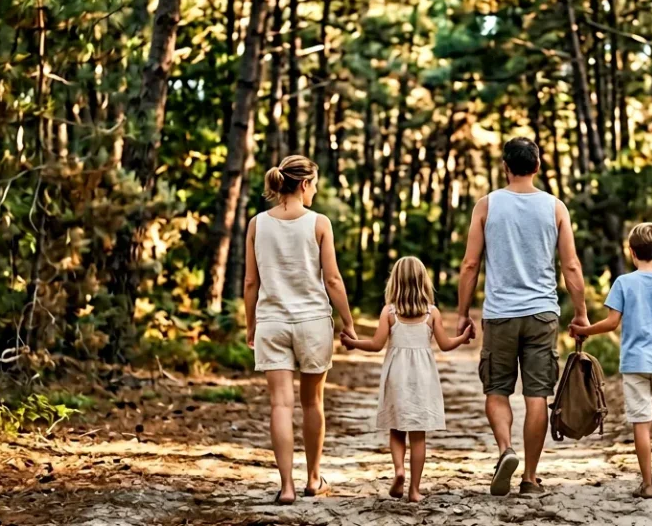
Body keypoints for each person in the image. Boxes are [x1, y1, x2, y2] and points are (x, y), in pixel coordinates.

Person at [456, 136, 590, 497]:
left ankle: (505, 450)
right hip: (542, 314)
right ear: (538, 166)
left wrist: (463, 313)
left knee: (497, 390)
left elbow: (470, 264)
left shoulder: (487, 206)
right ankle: (530, 478)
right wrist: (581, 314)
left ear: (505, 167)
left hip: (499, 314)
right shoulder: (555, 207)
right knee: (537, 397)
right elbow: (571, 265)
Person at [244, 155, 357, 505]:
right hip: (312, 325)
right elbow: (333, 279)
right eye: (316, 184)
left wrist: (251, 326)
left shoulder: (257, 224)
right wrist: (348, 322)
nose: (316, 190)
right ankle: (312, 479)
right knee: (312, 402)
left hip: (272, 323)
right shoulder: (319, 223)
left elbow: (251, 281)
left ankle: (286, 487)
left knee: (280, 404)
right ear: (305, 184)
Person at [571, 222, 652, 499]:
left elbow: (612, 323)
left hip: (635, 362)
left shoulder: (624, 282)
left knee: (640, 421)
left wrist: (584, 330)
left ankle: (647, 484)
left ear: (631, 252)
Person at [340, 257, 474, 503]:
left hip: (396, 376)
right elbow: (445, 345)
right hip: (423, 378)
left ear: (395, 283)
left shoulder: (389, 312)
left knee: (396, 428)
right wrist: (463, 337)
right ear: (424, 282)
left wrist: (352, 343)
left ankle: (399, 470)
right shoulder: (431, 313)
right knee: (418, 434)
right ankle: (414, 489)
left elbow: (376, 344)